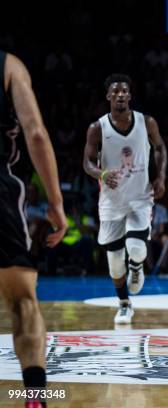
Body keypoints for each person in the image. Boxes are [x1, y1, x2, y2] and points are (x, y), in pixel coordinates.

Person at [0, 51, 67, 408]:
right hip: (1, 191)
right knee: (23, 301)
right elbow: (36, 134)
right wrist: (56, 203)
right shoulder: (9, 66)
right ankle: (36, 398)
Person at [83, 73, 167, 324]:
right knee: (114, 265)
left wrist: (160, 177)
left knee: (137, 248)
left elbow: (161, 148)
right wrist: (101, 173)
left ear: (129, 96)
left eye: (124, 91)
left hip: (140, 197)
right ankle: (124, 304)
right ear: (108, 96)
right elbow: (87, 162)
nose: (120, 95)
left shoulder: (146, 122)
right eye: (115, 91)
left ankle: (138, 266)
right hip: (111, 201)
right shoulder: (97, 128)